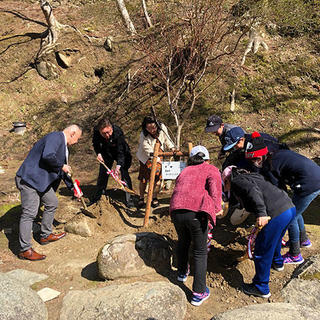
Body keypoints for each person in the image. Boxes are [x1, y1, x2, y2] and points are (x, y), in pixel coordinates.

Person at [244, 132, 320, 264]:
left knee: (290, 216)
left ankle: (295, 254)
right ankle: (303, 240)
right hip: (312, 176)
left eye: (255, 159)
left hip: (310, 184)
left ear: (262, 156)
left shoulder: (271, 165)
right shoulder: (274, 155)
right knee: (296, 209)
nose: (254, 163)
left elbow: (279, 192)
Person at [222, 166, 296, 299]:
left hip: (275, 214)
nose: (224, 189)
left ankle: (261, 287)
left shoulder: (237, 181)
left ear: (227, 180)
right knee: (276, 239)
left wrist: (261, 213)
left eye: (224, 185)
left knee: (262, 249)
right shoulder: (252, 176)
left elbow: (252, 191)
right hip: (288, 208)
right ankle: (277, 263)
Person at [15, 125, 83, 261]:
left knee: (52, 202)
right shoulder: (56, 137)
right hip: (29, 180)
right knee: (29, 214)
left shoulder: (63, 147)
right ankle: (25, 250)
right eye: (77, 138)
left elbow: (62, 171)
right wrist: (62, 166)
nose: (76, 142)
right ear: (72, 133)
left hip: (40, 182)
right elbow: (48, 156)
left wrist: (73, 188)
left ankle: (45, 235)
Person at [170, 145, 222, 306]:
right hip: (197, 211)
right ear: (207, 159)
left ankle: (181, 272)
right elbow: (215, 189)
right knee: (200, 251)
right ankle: (199, 292)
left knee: (183, 241)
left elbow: (178, 189)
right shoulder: (210, 168)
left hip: (176, 211)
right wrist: (217, 209)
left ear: (190, 159)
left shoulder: (184, 171)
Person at [92, 118, 133, 208]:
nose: (107, 135)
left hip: (122, 152)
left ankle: (129, 200)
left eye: (108, 132)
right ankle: (99, 197)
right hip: (106, 152)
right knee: (103, 174)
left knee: (124, 173)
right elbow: (95, 143)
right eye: (104, 133)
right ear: (99, 131)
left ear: (111, 128)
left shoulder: (118, 132)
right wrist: (98, 153)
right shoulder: (96, 131)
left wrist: (118, 166)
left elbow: (121, 152)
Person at [136, 116, 175, 208]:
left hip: (159, 153)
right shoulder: (143, 135)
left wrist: (172, 148)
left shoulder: (162, 128)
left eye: (153, 127)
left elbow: (167, 139)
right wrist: (156, 158)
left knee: (157, 178)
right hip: (146, 157)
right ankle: (141, 198)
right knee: (144, 179)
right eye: (149, 128)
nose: (152, 130)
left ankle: (154, 197)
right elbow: (146, 148)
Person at [221, 126, 287, 170]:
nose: (234, 148)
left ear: (241, 139)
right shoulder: (245, 144)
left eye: (235, 145)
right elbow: (236, 156)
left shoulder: (254, 146)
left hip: (278, 161)